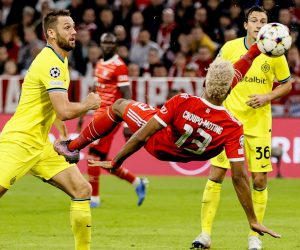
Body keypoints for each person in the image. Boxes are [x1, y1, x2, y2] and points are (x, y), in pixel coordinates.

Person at [54, 43, 281, 248]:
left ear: (204, 81)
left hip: (159, 143)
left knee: (119, 105)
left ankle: (72, 146)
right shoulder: (233, 127)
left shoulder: (182, 102)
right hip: (189, 153)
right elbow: (240, 177)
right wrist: (252, 219)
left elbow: (143, 135)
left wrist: (117, 160)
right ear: (230, 89)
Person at [0, 9, 101, 250]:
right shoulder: (50, 63)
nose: (74, 31)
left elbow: (54, 110)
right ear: (51, 34)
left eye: (74, 27)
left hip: (40, 144)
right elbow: (64, 110)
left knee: (82, 188)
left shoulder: (60, 60)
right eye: (67, 27)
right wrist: (88, 104)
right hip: (19, 142)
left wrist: (64, 136)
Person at [195, 6, 293, 250]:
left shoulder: (275, 52)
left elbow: (287, 85)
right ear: (246, 25)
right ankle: (204, 235)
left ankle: (254, 237)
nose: (259, 24)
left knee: (259, 180)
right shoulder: (230, 48)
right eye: (254, 20)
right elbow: (214, 77)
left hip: (259, 125)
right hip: (227, 123)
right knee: (216, 174)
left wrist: (267, 97)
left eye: (263, 20)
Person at [78, 32, 147, 208]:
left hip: (111, 116)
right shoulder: (100, 63)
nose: (108, 45)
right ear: (101, 45)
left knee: (93, 155)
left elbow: (127, 94)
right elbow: (96, 90)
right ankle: (136, 182)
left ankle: (94, 198)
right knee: (100, 157)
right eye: (105, 42)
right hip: (97, 114)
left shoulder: (119, 66)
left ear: (115, 45)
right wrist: (82, 113)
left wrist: (126, 122)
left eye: (111, 43)